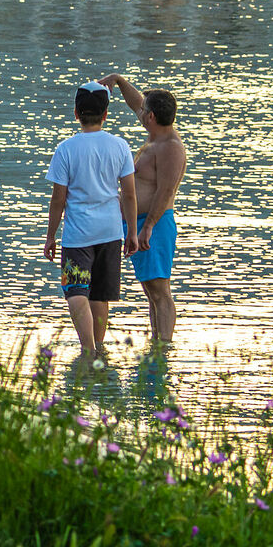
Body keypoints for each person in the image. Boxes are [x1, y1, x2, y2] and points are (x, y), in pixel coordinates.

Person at [45, 81, 139, 358]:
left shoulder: (65, 149)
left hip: (77, 235)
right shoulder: (120, 146)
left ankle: (88, 351)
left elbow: (58, 199)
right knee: (99, 295)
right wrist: (132, 231)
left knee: (76, 290)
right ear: (106, 114)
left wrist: (51, 235)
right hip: (110, 232)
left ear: (76, 113)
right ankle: (97, 353)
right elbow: (129, 195)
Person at [100, 74, 187, 343]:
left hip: (155, 225)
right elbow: (136, 102)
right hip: (138, 224)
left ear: (151, 117)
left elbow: (166, 191)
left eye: (143, 111)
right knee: (150, 289)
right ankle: (156, 344)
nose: (139, 112)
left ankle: (164, 348)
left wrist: (147, 227)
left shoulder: (170, 147)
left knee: (160, 291)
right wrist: (118, 80)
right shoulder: (156, 136)